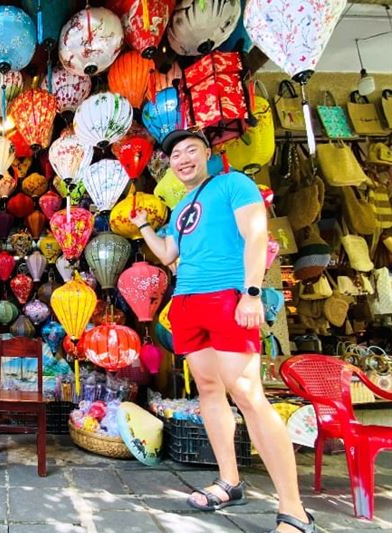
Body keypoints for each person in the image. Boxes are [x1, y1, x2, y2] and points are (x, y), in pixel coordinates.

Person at [130, 130, 314, 533]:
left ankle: (294, 510)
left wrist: (250, 293)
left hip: (227, 295)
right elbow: (167, 254)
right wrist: (144, 226)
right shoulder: (180, 208)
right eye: (175, 155)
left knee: (247, 395)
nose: (182, 159)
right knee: (209, 390)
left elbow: (256, 234)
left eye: (190, 151)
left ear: (208, 154)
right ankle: (229, 481)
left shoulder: (234, 184)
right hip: (188, 302)